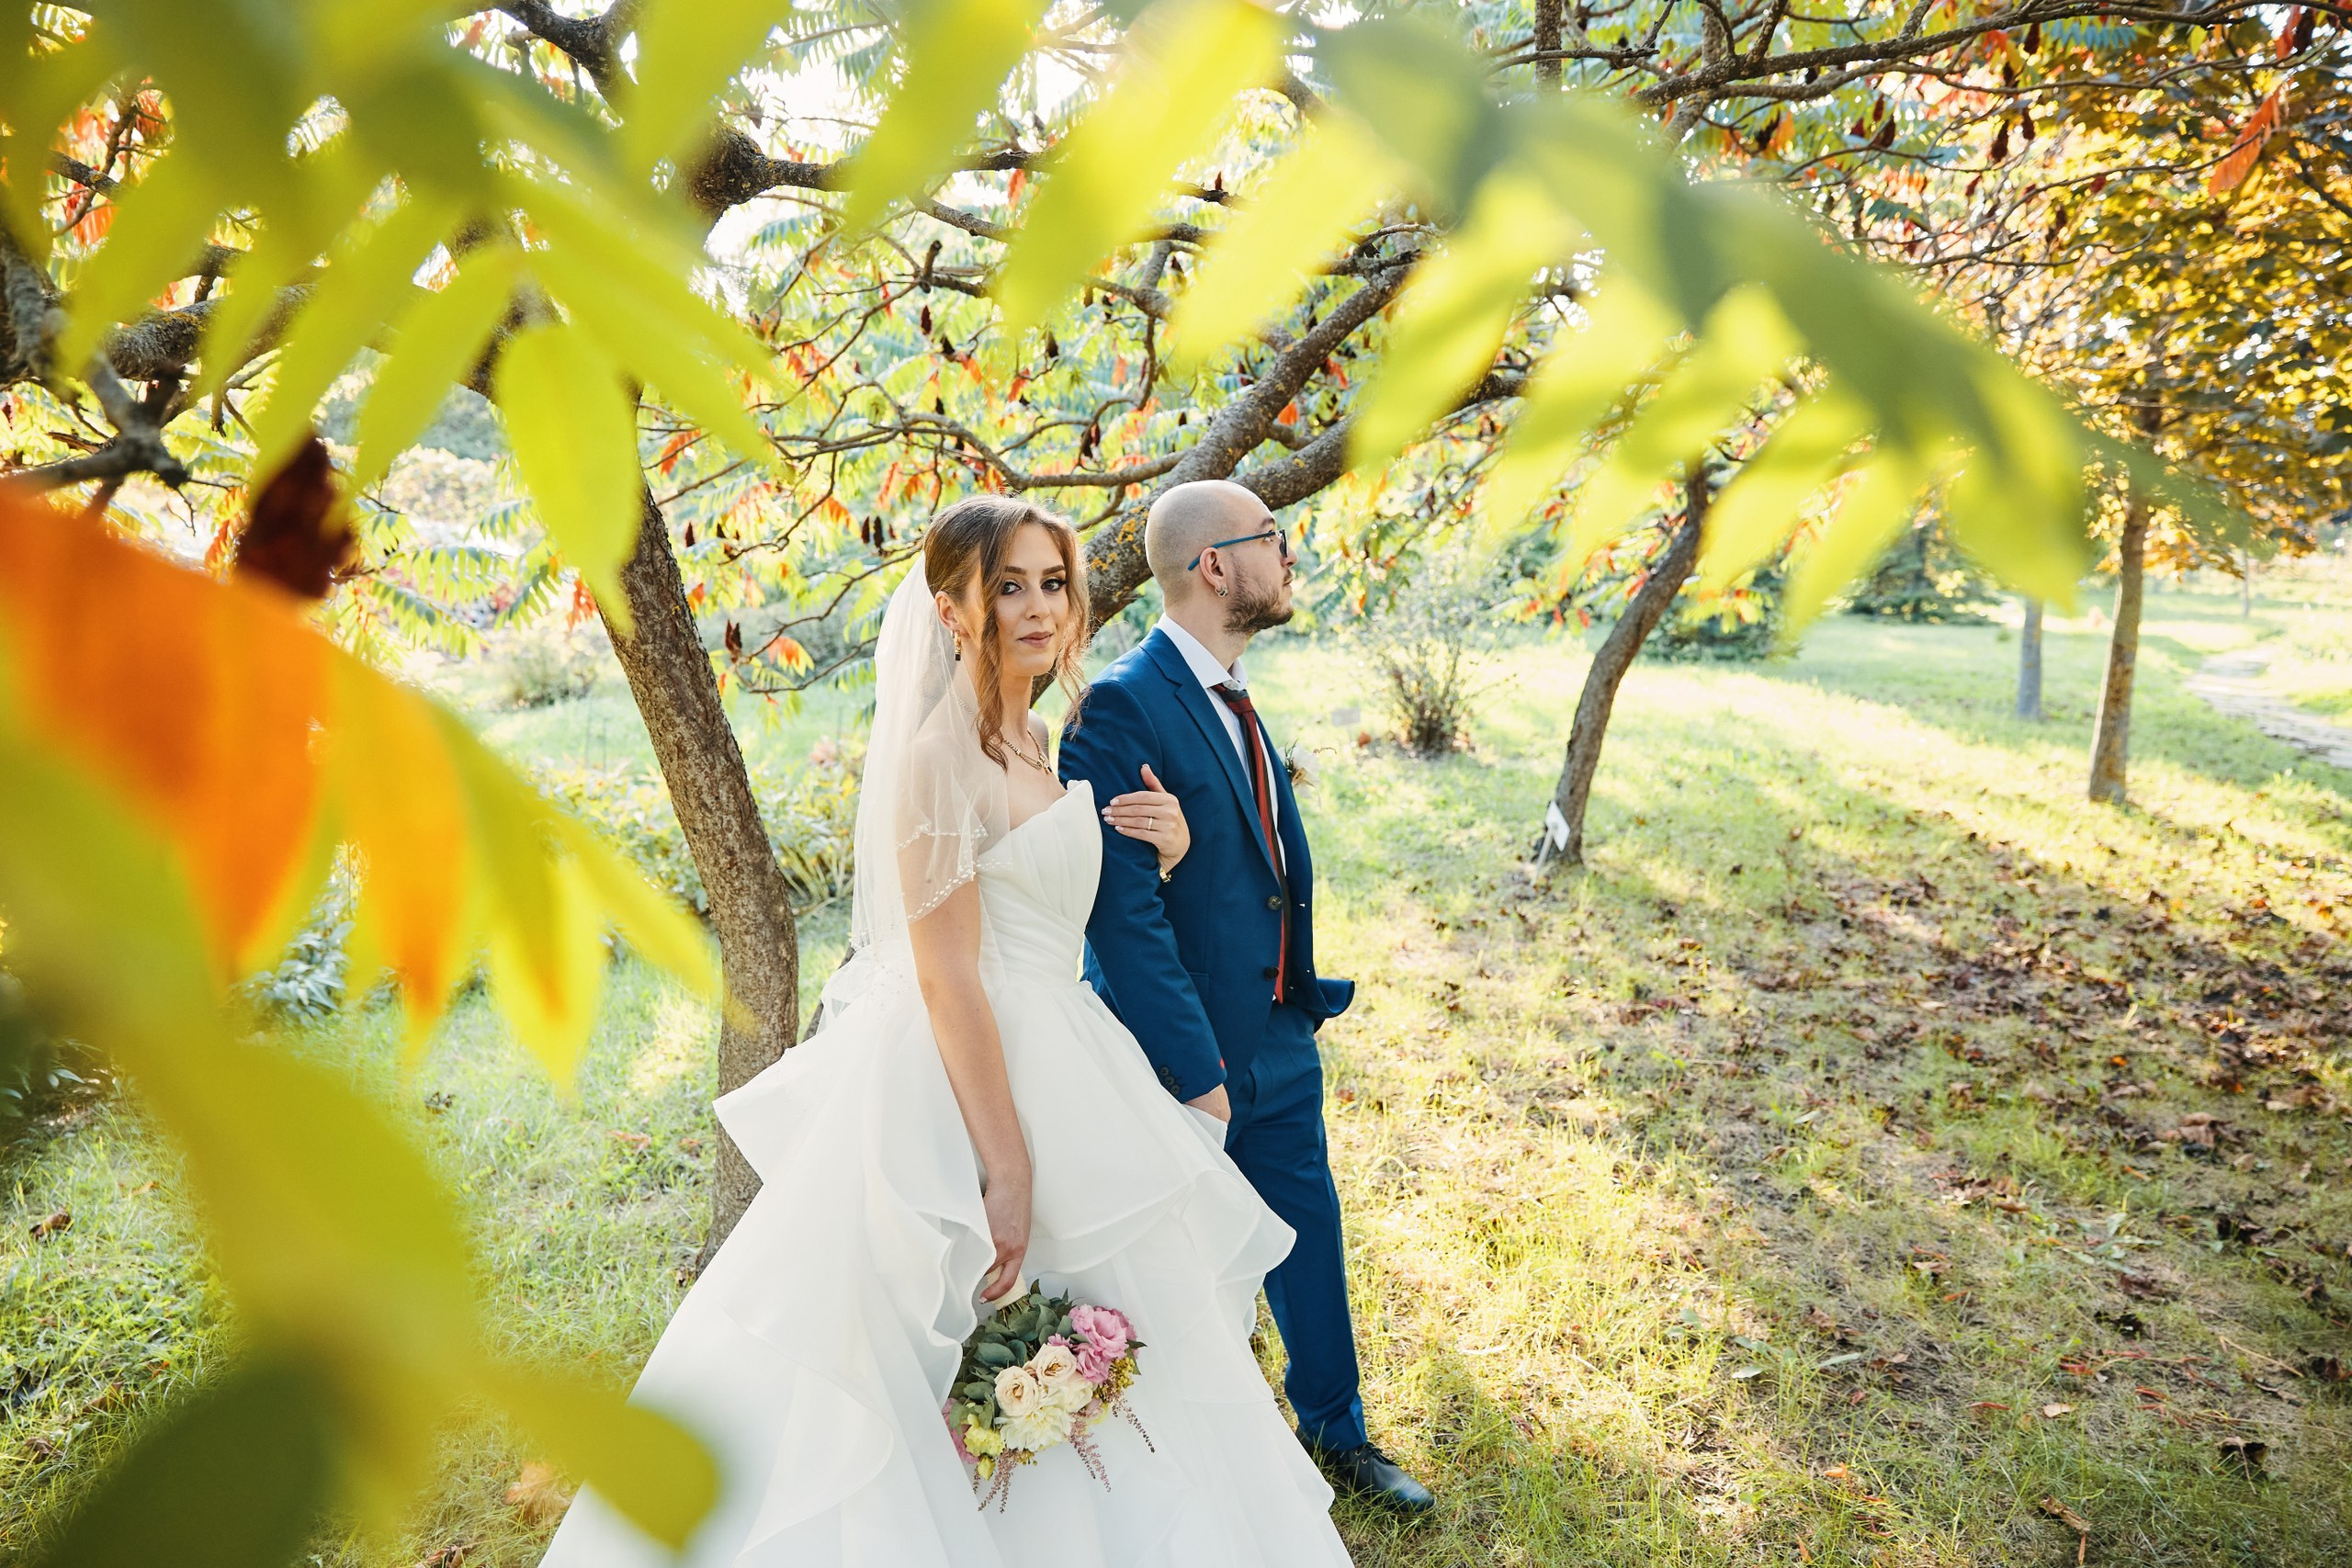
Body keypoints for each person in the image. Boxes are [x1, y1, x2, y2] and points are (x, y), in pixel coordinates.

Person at [539, 495, 1353, 1566]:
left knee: (1119, 1340)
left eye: (1052, 584)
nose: (1036, 608)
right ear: (951, 609)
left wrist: (1162, 853)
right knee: (947, 1344)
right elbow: (948, 976)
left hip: (1070, 1045)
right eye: (1006, 586)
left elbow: (1047, 898)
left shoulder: (1036, 735)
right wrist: (1006, 1164)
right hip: (975, 1075)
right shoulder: (938, 758)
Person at [1057, 479, 1436, 1513]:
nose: (1290, 554)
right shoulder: (1122, 708)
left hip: (1277, 1027)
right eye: (1274, 538)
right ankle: (1179, 1458)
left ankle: (1336, 1430)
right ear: (1215, 567)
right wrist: (1198, 1073)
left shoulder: (1228, 686)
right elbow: (1120, 919)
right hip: (1187, 1056)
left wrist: (1290, 1007)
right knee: (1185, 1268)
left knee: (1308, 1231)